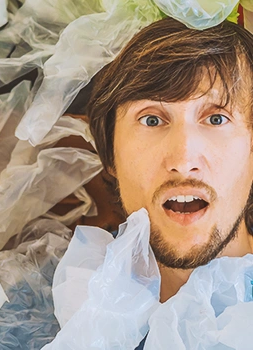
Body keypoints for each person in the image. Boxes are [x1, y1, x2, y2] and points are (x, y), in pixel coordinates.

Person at [88, 16, 253, 303]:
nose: (184, 159)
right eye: (151, 120)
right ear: (110, 155)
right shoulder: (56, 305)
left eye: (216, 119)